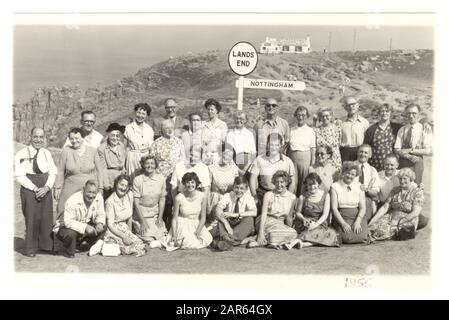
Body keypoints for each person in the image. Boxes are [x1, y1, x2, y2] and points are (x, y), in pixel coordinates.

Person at [15, 127, 58, 257]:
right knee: (31, 217)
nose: (38, 140)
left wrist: (47, 187)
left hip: (45, 188)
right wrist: (34, 188)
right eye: (35, 137)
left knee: (46, 216)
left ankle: (46, 245)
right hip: (29, 189)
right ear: (31, 137)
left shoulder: (46, 153)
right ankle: (30, 248)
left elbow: (53, 172)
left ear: (44, 138)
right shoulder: (21, 153)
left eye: (41, 137)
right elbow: (19, 176)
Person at [54, 127, 104, 217]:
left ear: (83, 138)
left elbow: (99, 171)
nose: (74, 141)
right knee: (63, 208)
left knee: (89, 211)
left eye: (77, 138)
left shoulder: (93, 151)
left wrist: (100, 188)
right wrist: (57, 187)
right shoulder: (66, 151)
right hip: (70, 185)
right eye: (71, 139)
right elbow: (60, 170)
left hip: (88, 186)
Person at [369, 168, 426, 241]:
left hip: (407, 219)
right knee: (372, 228)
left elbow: (416, 212)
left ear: (411, 179)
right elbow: (385, 207)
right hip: (391, 217)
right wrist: (372, 221)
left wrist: (399, 222)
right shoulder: (395, 190)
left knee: (381, 232)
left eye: (405, 179)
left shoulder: (417, 192)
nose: (402, 181)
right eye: (400, 179)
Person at [53, 180, 106, 258]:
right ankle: (69, 249)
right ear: (83, 189)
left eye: (94, 193)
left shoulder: (99, 198)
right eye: (89, 192)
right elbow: (68, 222)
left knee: (103, 226)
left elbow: (101, 213)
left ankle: (83, 245)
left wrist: (100, 223)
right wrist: (85, 227)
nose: (91, 196)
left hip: (85, 227)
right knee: (70, 235)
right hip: (66, 227)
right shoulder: (72, 200)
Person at [247, 170, 298, 249]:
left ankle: (263, 241)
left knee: (294, 234)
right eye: (276, 182)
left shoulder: (292, 197)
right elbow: (263, 214)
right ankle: (265, 239)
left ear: (287, 183)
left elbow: (289, 221)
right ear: (273, 182)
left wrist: (287, 215)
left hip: (280, 224)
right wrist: (260, 232)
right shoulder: (268, 195)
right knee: (274, 234)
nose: (279, 185)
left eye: (282, 182)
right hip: (265, 220)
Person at [249, 133, 297, 208]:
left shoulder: (287, 161)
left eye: (276, 145)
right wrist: (255, 196)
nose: (273, 148)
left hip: (282, 193)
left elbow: (293, 182)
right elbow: (252, 179)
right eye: (271, 145)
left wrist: (288, 197)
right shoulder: (260, 159)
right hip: (263, 193)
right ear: (267, 145)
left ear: (281, 145)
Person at [210, 176, 257, 250]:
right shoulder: (228, 195)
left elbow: (254, 212)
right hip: (229, 224)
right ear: (233, 187)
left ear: (246, 189)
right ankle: (233, 242)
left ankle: (226, 240)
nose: (238, 190)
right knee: (220, 218)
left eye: (241, 188)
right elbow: (218, 209)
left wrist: (237, 214)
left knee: (250, 219)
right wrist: (226, 224)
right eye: (236, 187)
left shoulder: (248, 198)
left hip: (240, 225)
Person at [104, 174, 146, 256]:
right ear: (116, 184)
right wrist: (123, 236)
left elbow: (129, 216)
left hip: (125, 228)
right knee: (128, 248)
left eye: (126, 186)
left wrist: (129, 233)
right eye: (121, 184)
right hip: (114, 230)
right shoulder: (110, 202)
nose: (123, 188)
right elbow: (110, 225)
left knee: (139, 244)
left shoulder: (129, 195)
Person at [294, 173, 339, 248]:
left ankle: (304, 243)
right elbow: (298, 213)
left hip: (320, 222)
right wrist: (304, 219)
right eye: (309, 184)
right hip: (306, 222)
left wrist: (316, 224)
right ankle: (304, 240)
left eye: (314, 184)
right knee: (308, 231)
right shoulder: (303, 197)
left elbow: (325, 214)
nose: (312, 187)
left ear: (318, 184)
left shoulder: (326, 195)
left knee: (332, 234)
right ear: (306, 185)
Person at [169, 172, 213, 249]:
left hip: (196, 223)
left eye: (192, 182)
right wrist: (174, 235)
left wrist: (198, 231)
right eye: (187, 182)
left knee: (208, 239)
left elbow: (203, 218)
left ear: (196, 183)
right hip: (183, 224)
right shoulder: (179, 197)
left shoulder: (202, 196)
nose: (190, 185)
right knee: (189, 242)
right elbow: (174, 219)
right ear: (184, 184)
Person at [330, 161, 369, 244]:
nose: (350, 176)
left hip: (357, 216)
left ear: (355, 176)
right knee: (347, 238)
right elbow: (334, 208)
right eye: (348, 173)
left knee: (362, 237)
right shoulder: (335, 186)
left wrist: (358, 221)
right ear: (343, 173)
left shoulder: (359, 186)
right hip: (342, 216)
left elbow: (363, 208)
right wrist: (343, 223)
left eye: (352, 174)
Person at [132, 156, 168, 246]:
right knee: (148, 237)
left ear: (155, 165)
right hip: (141, 216)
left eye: (152, 163)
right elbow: (136, 203)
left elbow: (162, 199)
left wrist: (160, 217)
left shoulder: (161, 179)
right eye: (147, 163)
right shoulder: (138, 180)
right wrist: (142, 221)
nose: (149, 166)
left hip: (154, 215)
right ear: (143, 165)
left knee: (162, 234)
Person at [394, 103, 432, 185]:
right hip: (403, 162)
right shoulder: (402, 129)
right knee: (402, 186)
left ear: (419, 114)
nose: (411, 116)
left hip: (417, 163)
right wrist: (408, 156)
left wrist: (411, 150)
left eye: (414, 113)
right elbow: (397, 148)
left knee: (415, 187)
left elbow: (428, 151)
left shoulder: (424, 129)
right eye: (409, 113)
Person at [207, 142, 240, 226]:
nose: (227, 157)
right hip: (214, 199)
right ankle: (213, 221)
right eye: (225, 154)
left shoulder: (234, 168)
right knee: (215, 195)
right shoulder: (211, 168)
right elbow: (207, 188)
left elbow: (237, 185)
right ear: (220, 153)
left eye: (230, 156)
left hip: (228, 198)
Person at [363, 103, 403, 171]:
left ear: (391, 113)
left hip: (391, 163)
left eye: (387, 111)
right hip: (375, 162)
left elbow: (411, 126)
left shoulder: (397, 128)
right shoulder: (371, 129)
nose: (384, 113)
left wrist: (426, 122)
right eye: (382, 111)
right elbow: (366, 146)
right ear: (379, 113)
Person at [288, 105, 316, 195]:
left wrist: (312, 164)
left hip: (305, 160)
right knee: (292, 182)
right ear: (295, 116)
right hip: (293, 159)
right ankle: (292, 204)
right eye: (298, 115)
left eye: (303, 115)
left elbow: (313, 149)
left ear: (307, 116)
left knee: (304, 183)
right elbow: (287, 147)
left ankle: (302, 205)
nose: (300, 117)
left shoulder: (310, 131)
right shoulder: (291, 130)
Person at [124, 103, 154, 179]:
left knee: (145, 179)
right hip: (132, 158)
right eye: (138, 112)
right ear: (135, 112)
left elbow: (151, 148)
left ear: (146, 115)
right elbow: (125, 147)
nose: (140, 116)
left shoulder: (149, 129)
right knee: (132, 180)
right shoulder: (128, 128)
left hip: (146, 158)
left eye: (143, 114)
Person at [97, 123, 127, 201]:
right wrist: (106, 184)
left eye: (117, 136)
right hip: (110, 180)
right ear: (108, 134)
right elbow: (103, 169)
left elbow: (123, 164)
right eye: (112, 135)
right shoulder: (102, 149)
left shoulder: (121, 145)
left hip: (121, 179)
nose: (115, 138)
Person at [225, 111, 257, 176]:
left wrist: (245, 169)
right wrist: (238, 170)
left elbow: (253, 153)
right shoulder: (230, 134)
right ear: (234, 120)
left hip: (248, 165)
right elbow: (228, 154)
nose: (239, 120)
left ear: (245, 120)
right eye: (237, 118)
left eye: (241, 119)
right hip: (234, 165)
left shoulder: (249, 134)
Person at [355, 144, 381, 221]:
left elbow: (375, 192)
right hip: (351, 199)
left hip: (366, 200)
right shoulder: (350, 166)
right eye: (361, 152)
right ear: (357, 153)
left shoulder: (372, 170)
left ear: (370, 155)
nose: (363, 154)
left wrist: (367, 190)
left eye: (366, 153)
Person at [339, 97, 370, 162]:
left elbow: (367, 141)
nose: (351, 107)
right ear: (345, 108)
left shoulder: (364, 122)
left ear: (358, 105)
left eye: (353, 104)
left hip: (360, 152)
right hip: (345, 152)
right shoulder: (340, 122)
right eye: (348, 105)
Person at [202, 98, 228, 165]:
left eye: (212, 109)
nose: (209, 111)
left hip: (217, 157)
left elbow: (223, 142)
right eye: (208, 109)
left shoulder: (222, 125)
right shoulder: (203, 124)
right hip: (205, 156)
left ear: (217, 111)